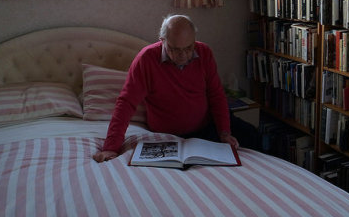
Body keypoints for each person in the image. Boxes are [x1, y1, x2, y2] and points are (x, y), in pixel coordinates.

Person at [94, 14, 258, 163]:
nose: (183, 56)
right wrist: (111, 147)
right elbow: (126, 103)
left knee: (253, 136)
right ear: (162, 40)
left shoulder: (204, 52)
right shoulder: (146, 59)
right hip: (168, 135)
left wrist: (224, 132)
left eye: (189, 48)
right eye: (175, 49)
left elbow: (216, 95)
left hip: (208, 127)